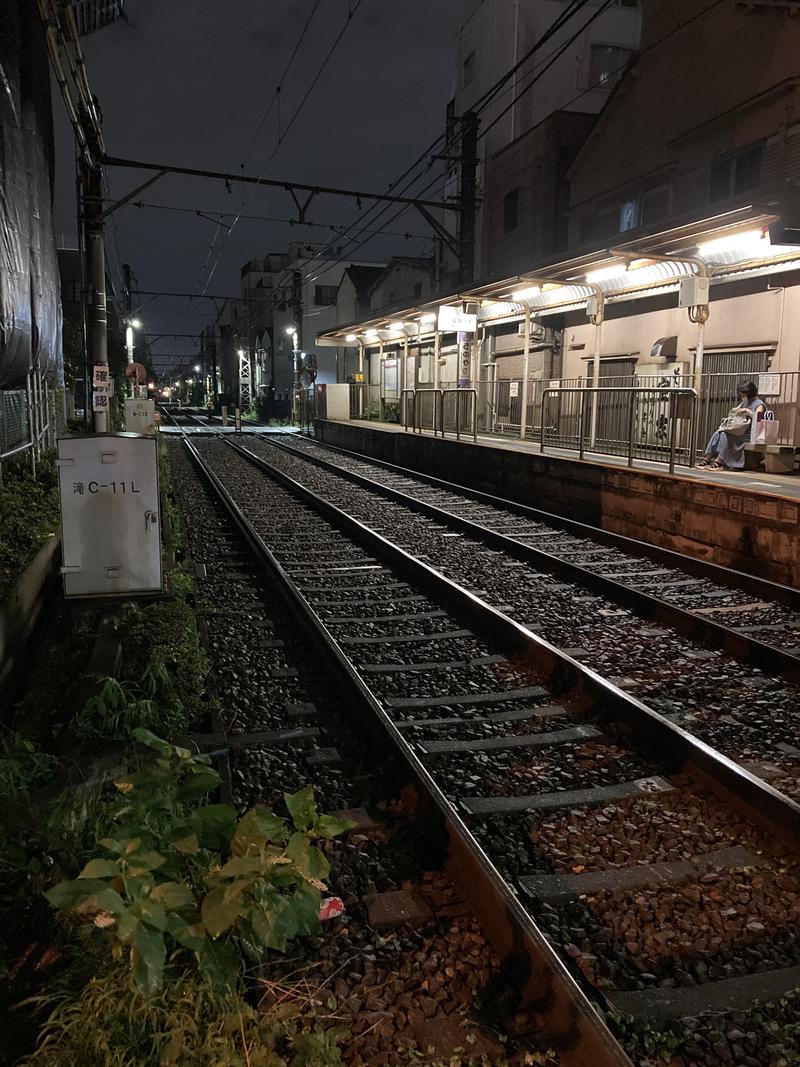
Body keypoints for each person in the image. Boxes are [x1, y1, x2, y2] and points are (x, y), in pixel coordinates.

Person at [698, 381, 766, 470]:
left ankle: (720, 461)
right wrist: (736, 410)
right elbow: (734, 411)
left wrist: (748, 412)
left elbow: (759, 418)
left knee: (725, 434)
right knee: (719, 432)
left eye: (743, 395)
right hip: (739, 430)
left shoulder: (759, 404)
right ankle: (707, 458)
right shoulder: (744, 402)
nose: (742, 398)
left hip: (749, 434)